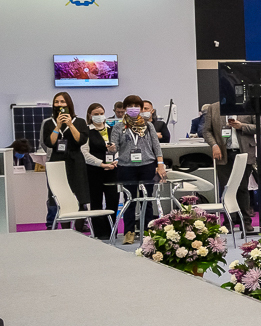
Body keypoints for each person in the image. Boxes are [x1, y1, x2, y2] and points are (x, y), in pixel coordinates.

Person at [110, 93, 167, 241]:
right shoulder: (119, 127)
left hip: (147, 165)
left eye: (136, 106)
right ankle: (129, 232)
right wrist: (111, 148)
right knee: (129, 199)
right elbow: (114, 147)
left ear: (141, 108)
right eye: (130, 106)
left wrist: (160, 164)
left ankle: (148, 231)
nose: (133, 108)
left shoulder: (148, 126)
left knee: (147, 199)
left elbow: (156, 146)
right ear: (125, 108)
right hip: (126, 166)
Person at [198, 101, 261, 228]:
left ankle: (246, 222)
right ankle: (229, 221)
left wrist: (242, 126)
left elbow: (260, 127)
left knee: (243, 188)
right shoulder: (213, 108)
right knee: (226, 188)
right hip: (223, 153)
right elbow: (206, 131)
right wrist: (214, 145)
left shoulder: (248, 106)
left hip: (244, 153)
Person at [40, 92, 90, 229]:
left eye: (62, 102)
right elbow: (49, 143)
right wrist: (57, 126)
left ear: (69, 104)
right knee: (61, 197)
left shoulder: (80, 122)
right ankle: (65, 230)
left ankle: (79, 229)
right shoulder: (48, 123)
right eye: (57, 102)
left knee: (79, 196)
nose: (59, 104)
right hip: (57, 160)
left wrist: (70, 124)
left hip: (75, 160)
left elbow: (80, 140)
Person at [77, 103, 116, 240]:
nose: (99, 116)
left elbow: (121, 148)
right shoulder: (86, 131)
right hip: (94, 171)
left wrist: (116, 160)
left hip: (113, 170)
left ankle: (112, 231)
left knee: (113, 200)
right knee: (96, 201)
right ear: (90, 115)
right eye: (96, 114)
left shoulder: (113, 130)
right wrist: (101, 164)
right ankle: (99, 232)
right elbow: (84, 153)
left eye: (101, 113)